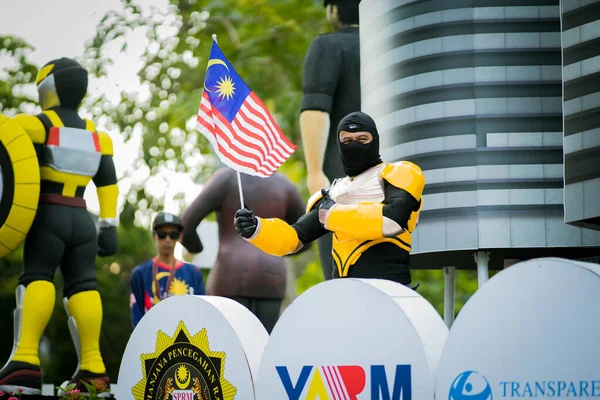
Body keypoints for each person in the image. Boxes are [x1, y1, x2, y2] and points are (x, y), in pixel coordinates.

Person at [0, 58, 118, 394]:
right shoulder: (97, 135)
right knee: (84, 284)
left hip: (47, 215)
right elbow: (108, 185)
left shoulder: (33, 125)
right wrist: (108, 224)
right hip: (83, 219)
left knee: (37, 276)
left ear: (48, 88)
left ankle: (24, 363)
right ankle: (93, 369)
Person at [235, 111, 425, 286]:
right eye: (347, 140)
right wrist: (257, 228)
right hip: (343, 296)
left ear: (375, 141)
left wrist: (333, 214)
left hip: (390, 291)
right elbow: (293, 239)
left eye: (362, 139)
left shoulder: (400, 173)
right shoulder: (333, 193)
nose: (355, 144)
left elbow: (391, 221)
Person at [181, 167, 308, 333]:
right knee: (263, 347)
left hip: (229, 275)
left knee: (228, 348)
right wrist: (279, 251)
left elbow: (185, 225)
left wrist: (197, 249)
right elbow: (305, 236)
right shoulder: (285, 186)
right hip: (272, 277)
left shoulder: (226, 179)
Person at [300, 0, 361, 280]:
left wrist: (314, 172)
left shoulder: (328, 46)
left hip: (341, 183)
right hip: (393, 185)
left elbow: (315, 110)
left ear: (333, 10)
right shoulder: (392, 46)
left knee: (341, 275)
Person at [129, 212, 206, 328]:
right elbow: (136, 315)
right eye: (162, 234)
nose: (167, 239)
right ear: (154, 236)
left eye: (173, 235)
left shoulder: (194, 273)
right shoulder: (140, 273)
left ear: (179, 237)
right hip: (150, 339)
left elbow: (202, 314)